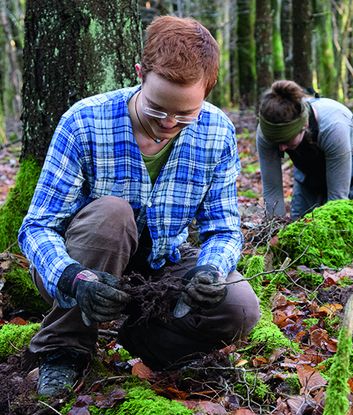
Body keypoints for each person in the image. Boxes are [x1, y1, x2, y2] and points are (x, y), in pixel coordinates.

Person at [18, 16, 260, 397]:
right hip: (82, 266)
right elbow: (36, 227)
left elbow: (224, 228)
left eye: (185, 115)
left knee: (241, 306)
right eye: (158, 108)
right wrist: (72, 279)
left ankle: (146, 335)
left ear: (207, 92)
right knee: (112, 213)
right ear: (140, 74)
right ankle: (64, 348)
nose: (168, 123)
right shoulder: (84, 121)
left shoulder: (217, 133)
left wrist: (211, 270)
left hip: (161, 268)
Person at [256, 80, 353, 219]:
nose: (281, 148)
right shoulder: (266, 132)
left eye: (286, 141)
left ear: (304, 125)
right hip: (312, 169)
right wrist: (274, 230)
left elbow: (338, 201)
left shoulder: (333, 127)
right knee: (300, 225)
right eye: (276, 143)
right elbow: (272, 189)